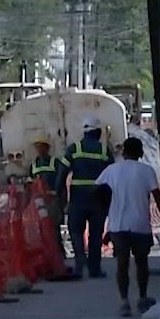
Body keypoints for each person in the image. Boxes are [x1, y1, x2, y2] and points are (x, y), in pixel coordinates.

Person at [95, 137, 160, 316]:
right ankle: (142, 298)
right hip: (140, 224)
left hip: (118, 226)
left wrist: (108, 214)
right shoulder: (147, 171)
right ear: (141, 153)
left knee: (122, 263)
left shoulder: (111, 170)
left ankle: (124, 302)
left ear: (123, 152)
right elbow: (157, 197)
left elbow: (98, 191)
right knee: (142, 263)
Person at [64, 116, 115, 278]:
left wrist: (59, 195)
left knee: (76, 231)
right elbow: (112, 177)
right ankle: (95, 269)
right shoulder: (104, 151)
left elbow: (61, 173)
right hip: (98, 199)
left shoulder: (74, 149)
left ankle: (80, 265)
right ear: (98, 131)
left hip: (78, 198)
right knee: (95, 234)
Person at [29, 135, 69, 259]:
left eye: (41, 147)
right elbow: (31, 182)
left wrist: (61, 200)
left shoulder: (55, 163)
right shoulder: (34, 164)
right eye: (37, 147)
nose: (39, 150)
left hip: (52, 200)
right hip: (39, 201)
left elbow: (61, 182)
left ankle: (59, 253)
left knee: (54, 228)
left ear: (47, 148)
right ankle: (48, 253)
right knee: (41, 228)